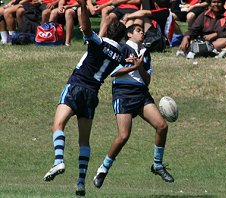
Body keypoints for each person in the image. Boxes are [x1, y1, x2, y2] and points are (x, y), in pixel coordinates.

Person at [42, 0, 126, 196]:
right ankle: (80, 182)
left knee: (58, 125)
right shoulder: (119, 54)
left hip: (77, 86)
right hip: (92, 94)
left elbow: (86, 28)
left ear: (108, 31)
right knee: (84, 141)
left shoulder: (99, 42)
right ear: (121, 37)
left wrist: (82, 6)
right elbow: (118, 69)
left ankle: (58, 161)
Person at [93, 23, 174, 190]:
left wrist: (139, 67)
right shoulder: (121, 49)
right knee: (123, 136)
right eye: (138, 30)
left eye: (142, 31)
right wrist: (132, 66)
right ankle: (103, 169)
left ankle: (157, 165)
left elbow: (147, 80)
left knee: (162, 126)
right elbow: (112, 72)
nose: (142, 33)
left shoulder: (145, 52)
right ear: (129, 35)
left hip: (141, 94)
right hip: (123, 94)